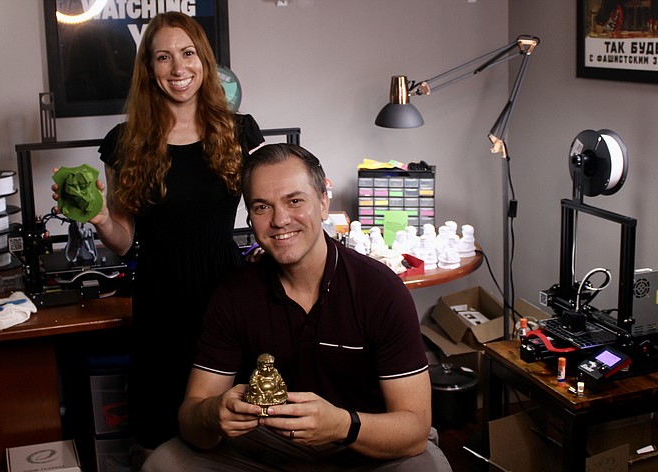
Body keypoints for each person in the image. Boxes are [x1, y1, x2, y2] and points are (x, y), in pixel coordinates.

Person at [141, 143, 451, 471]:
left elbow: (415, 429)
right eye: (262, 207)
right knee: (164, 463)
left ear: (322, 202)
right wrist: (212, 413)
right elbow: (192, 417)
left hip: (363, 439)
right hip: (270, 444)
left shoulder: (380, 290)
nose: (279, 220)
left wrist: (343, 425)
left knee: (428, 467)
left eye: (294, 200)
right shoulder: (233, 294)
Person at [51, 11, 264, 452]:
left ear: (204, 60)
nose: (178, 69)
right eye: (163, 57)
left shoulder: (239, 131)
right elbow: (126, 238)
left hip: (226, 290)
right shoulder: (124, 142)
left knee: (234, 427)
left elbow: (266, 205)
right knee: (163, 437)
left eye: (187, 54)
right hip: (159, 296)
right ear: (149, 69)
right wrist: (101, 220)